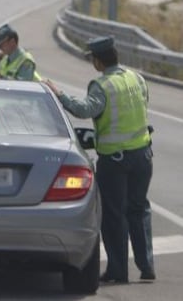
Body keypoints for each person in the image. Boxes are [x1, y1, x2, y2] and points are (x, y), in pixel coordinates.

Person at [46, 36, 155, 284]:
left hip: (115, 161)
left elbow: (84, 110)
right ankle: (147, 266)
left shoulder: (102, 85)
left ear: (97, 61)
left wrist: (59, 94)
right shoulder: (136, 78)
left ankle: (118, 272)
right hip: (143, 155)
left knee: (114, 216)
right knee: (139, 210)